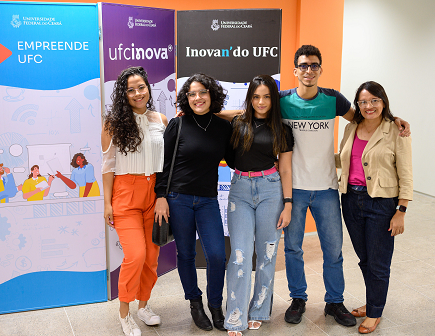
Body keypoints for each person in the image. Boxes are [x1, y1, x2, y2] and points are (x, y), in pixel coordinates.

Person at [217, 44, 410, 327]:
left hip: (328, 189)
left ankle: (334, 301)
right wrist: (207, 114)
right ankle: (298, 298)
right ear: (295, 70)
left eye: (314, 65)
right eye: (303, 65)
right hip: (292, 189)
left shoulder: (333, 100)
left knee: (333, 250)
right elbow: (246, 111)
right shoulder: (281, 100)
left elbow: (367, 116)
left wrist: (394, 119)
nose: (308, 70)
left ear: (320, 69)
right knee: (293, 248)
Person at [154, 73, 233, 332]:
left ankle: (215, 305)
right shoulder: (178, 125)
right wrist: (161, 196)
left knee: (217, 255)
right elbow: (163, 164)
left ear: (212, 94)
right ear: (186, 98)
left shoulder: (223, 128)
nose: (197, 98)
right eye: (192, 94)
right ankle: (195, 303)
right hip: (179, 199)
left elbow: (234, 159)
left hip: (208, 199)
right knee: (186, 254)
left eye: (202, 92)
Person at [336, 81, 412, 334]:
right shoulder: (351, 127)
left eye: (374, 101)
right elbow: (345, 158)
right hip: (351, 200)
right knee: (365, 259)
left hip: (381, 204)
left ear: (383, 101)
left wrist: (401, 211)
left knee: (379, 262)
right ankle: (372, 302)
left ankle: (375, 311)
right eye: (363, 102)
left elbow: (406, 173)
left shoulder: (396, 131)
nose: (369, 106)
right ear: (357, 105)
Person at [223, 75, 294, 336]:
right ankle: (235, 315)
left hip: (271, 190)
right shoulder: (238, 123)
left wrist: (288, 204)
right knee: (239, 256)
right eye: (256, 97)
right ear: (249, 99)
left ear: (273, 99)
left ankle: (259, 311)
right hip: (240, 190)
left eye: (266, 97)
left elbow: (285, 170)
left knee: (267, 255)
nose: (261, 102)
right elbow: (230, 153)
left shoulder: (282, 129)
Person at [102, 66, 167, 336]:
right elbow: (108, 166)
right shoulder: (113, 124)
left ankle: (143, 306)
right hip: (125, 192)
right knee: (136, 255)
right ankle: (124, 313)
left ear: (148, 88)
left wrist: (163, 196)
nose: (137, 93)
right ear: (123, 94)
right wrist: (107, 203)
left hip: (154, 193)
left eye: (141, 87)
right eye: (131, 89)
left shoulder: (161, 119)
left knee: (151, 256)